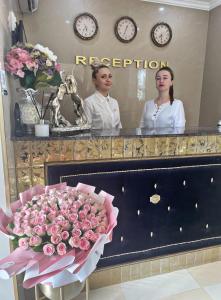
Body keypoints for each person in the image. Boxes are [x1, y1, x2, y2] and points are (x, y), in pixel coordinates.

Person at [84, 64, 122, 130]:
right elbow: (86, 129)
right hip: (96, 140)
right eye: (103, 77)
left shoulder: (114, 102)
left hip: (115, 140)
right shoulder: (89, 102)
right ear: (94, 81)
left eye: (110, 76)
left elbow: (119, 127)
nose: (108, 80)